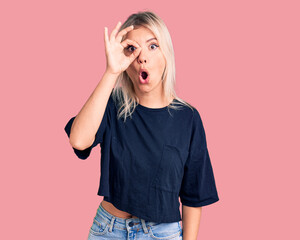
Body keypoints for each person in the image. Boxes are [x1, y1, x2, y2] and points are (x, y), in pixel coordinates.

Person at [63, 11, 219, 240]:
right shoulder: (112, 104)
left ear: (167, 54)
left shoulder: (188, 118)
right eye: (131, 49)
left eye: (152, 46)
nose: (141, 57)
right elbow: (78, 140)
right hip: (108, 231)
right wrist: (111, 72)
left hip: (162, 234)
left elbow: (194, 195)